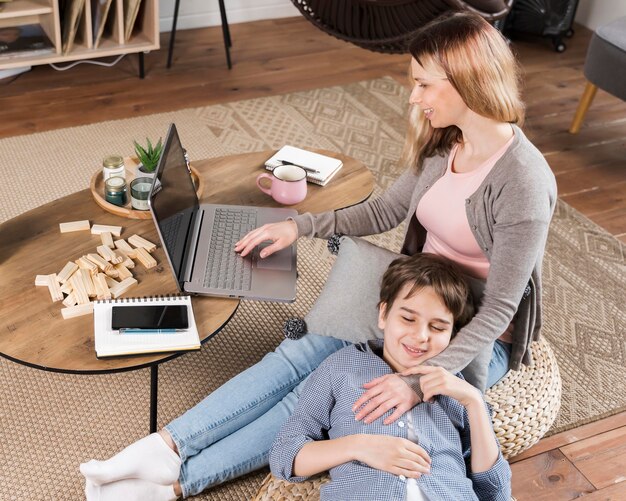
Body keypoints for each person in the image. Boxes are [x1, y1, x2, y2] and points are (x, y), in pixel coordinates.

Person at [79, 11, 555, 499]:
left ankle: (176, 484)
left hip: (467, 331)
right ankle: (165, 447)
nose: (414, 97)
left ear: (467, 82)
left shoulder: (523, 182)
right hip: (417, 295)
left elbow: (500, 306)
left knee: (320, 398)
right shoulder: (448, 143)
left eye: (424, 85)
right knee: (302, 355)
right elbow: (388, 209)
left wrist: (418, 382)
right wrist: (298, 226)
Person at [270, 253, 511, 500]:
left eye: (438, 327)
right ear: (384, 314)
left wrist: (473, 401)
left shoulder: (455, 388)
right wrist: (360, 446)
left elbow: (495, 492)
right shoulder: (341, 367)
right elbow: (284, 455)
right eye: (408, 319)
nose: (420, 336)